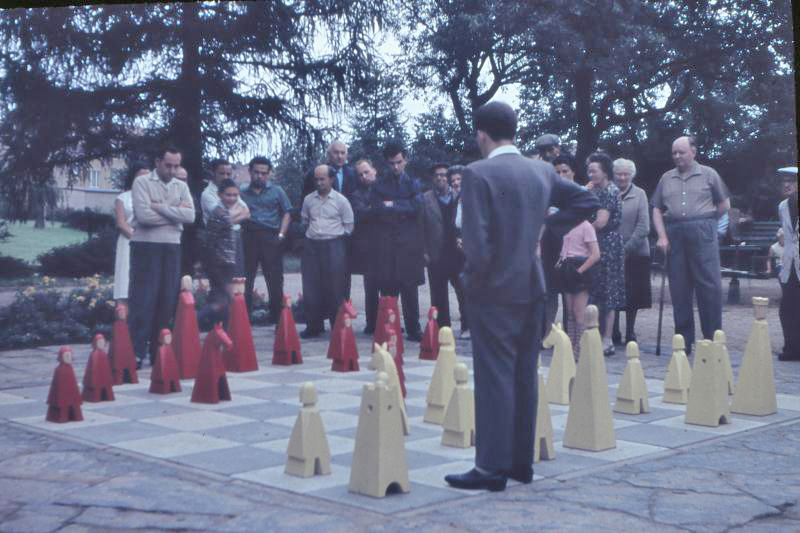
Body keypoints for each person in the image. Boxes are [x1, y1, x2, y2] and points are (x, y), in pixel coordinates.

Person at [444, 101, 599, 492]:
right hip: (533, 286)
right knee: (524, 375)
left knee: (495, 376)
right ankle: (519, 463)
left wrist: (472, 281)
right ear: (513, 130)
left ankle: (490, 468)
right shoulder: (542, 170)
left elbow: (477, 245)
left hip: (493, 290)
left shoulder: (478, 173)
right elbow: (587, 201)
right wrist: (546, 225)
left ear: (482, 134)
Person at [652, 136, 730, 353]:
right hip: (675, 231)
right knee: (679, 288)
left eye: (682, 152)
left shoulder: (709, 174)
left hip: (702, 231)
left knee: (709, 286)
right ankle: (684, 343)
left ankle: (712, 341)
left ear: (693, 152)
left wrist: (707, 221)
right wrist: (662, 236)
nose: (677, 156)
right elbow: (656, 208)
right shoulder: (666, 178)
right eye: (674, 152)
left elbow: (725, 204)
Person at [129, 145, 195, 367]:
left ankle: (160, 352)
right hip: (146, 246)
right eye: (168, 165)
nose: (173, 170)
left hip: (171, 246)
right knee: (143, 299)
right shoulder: (142, 182)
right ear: (157, 162)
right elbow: (144, 216)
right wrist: (175, 214)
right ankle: (136, 352)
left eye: (177, 166)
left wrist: (161, 208)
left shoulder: (181, 185)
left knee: (167, 299)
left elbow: (191, 215)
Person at [370, 142, 424, 341]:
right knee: (388, 290)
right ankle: (390, 327)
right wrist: (403, 207)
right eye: (391, 163)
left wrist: (392, 205)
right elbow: (376, 209)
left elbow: (417, 207)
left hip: (408, 246)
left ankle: (414, 329)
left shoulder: (414, 184)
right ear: (386, 163)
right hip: (387, 245)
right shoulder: (379, 184)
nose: (395, 167)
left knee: (410, 289)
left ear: (405, 161)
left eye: (399, 162)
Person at [299, 164, 354, 337]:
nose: (319, 182)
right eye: (316, 179)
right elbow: (304, 221)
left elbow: (349, 225)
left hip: (334, 245)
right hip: (312, 246)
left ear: (331, 179)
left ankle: (337, 325)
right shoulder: (308, 200)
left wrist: (335, 238)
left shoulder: (341, 201)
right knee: (311, 286)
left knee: (336, 287)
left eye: (322, 179)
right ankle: (313, 326)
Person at [240, 156, 292, 322]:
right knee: (246, 278)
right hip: (248, 236)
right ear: (250, 172)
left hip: (271, 237)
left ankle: (277, 317)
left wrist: (281, 234)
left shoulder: (277, 191)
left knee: (275, 278)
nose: (260, 176)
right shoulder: (242, 192)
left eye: (264, 173)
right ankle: (244, 318)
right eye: (256, 172)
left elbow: (287, 212)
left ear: (269, 174)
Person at [586, 152, 626, 356]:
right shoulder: (593, 189)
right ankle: (593, 335)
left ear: (604, 172)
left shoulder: (610, 191)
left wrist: (580, 233)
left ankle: (607, 339)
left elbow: (601, 222)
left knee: (609, 291)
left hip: (607, 244)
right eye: (589, 170)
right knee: (594, 290)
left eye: (594, 170)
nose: (590, 174)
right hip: (594, 243)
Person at [421, 163, 466, 333]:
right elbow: (421, 226)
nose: (441, 178)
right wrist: (424, 251)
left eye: (444, 175)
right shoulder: (425, 199)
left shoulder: (459, 196)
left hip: (457, 253)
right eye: (437, 175)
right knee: (438, 294)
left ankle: (466, 325)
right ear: (433, 178)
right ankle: (442, 328)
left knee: (463, 291)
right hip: (436, 253)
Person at [611, 158, 651, 345]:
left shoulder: (640, 194)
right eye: (619, 173)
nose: (622, 177)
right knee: (614, 292)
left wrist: (627, 249)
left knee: (633, 295)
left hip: (636, 252)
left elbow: (644, 226)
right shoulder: (609, 192)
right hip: (612, 251)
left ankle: (630, 331)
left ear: (632, 175)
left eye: (626, 174)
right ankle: (614, 330)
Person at [201, 179, 244, 325]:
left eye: (235, 195)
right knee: (224, 299)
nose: (232, 198)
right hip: (220, 263)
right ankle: (195, 321)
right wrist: (211, 265)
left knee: (222, 298)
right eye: (228, 195)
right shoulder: (220, 213)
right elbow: (209, 241)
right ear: (219, 195)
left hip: (225, 262)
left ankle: (219, 330)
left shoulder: (223, 212)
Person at [556, 219, 601, 355]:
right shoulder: (567, 225)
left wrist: (579, 271)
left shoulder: (586, 227)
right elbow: (566, 248)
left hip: (580, 268)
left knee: (579, 312)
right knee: (569, 312)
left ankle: (579, 349)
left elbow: (595, 255)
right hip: (567, 266)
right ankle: (569, 346)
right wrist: (560, 262)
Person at [350, 159, 380, 333]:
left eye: (366, 172)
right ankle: (371, 324)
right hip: (369, 247)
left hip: (387, 244)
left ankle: (388, 321)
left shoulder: (386, 188)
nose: (364, 176)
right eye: (360, 174)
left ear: (374, 170)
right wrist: (380, 207)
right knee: (371, 287)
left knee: (389, 287)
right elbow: (361, 214)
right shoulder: (356, 195)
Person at [113, 161, 148, 302]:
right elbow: (121, 223)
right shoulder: (123, 198)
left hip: (149, 240)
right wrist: (136, 238)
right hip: (128, 241)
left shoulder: (153, 197)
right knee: (126, 275)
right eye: (141, 176)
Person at [777, 166, 799, 361]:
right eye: (784, 181)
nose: (787, 184)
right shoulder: (783, 206)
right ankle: (791, 347)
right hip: (790, 264)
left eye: (791, 181)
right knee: (788, 308)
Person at [448, 164, 470, 338]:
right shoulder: (456, 201)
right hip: (459, 253)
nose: (455, 183)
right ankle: (466, 326)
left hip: (475, 252)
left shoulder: (475, 199)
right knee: (461, 289)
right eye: (453, 180)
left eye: (459, 179)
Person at [200, 158, 249, 226]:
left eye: (228, 174)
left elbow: (247, 212)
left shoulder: (232, 190)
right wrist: (239, 214)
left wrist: (229, 217)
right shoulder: (207, 194)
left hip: (236, 234)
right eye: (222, 173)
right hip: (216, 234)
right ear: (213, 173)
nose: (225, 177)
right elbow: (222, 216)